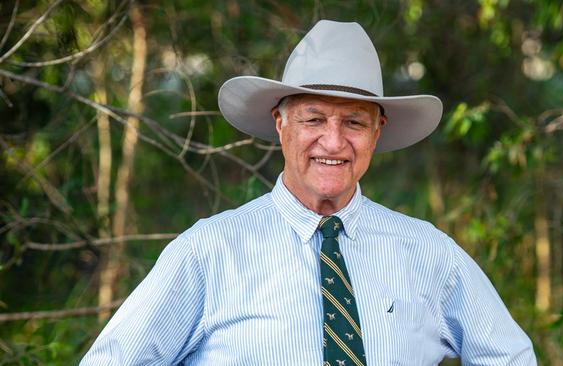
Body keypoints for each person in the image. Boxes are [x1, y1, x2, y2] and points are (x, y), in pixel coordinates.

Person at [81, 20, 536, 365]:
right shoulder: (209, 251)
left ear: (378, 131)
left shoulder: (430, 254)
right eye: (314, 120)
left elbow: (512, 358)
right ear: (281, 123)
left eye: (354, 122)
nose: (334, 142)